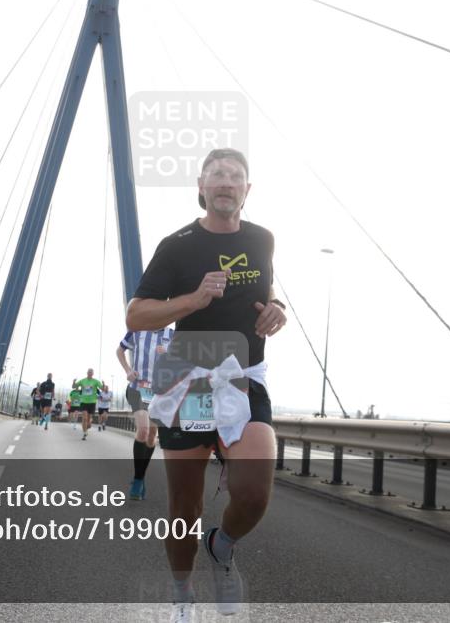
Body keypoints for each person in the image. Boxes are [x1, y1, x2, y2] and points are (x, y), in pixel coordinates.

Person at [125, 148, 286, 619]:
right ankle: (182, 597)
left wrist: (278, 310)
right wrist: (194, 300)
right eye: (216, 174)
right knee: (184, 506)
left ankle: (222, 545)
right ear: (201, 187)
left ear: (246, 190)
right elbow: (136, 314)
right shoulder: (176, 246)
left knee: (254, 491)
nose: (226, 181)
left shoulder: (263, 240)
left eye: (235, 176)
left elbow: (266, 294)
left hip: (242, 376)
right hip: (187, 379)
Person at [117, 328, 174, 499]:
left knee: (151, 436)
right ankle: (137, 480)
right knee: (143, 430)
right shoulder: (136, 331)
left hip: (159, 393)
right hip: (137, 389)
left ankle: (140, 477)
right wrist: (128, 370)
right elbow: (119, 350)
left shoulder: (173, 335)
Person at [72, 369, 102, 440]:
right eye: (88, 372)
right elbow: (74, 386)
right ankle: (84, 433)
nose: (89, 373)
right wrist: (73, 382)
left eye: (91, 372)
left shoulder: (96, 381)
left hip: (92, 402)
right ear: (87, 373)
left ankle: (88, 425)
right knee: (84, 418)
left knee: (88, 421)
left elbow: (102, 388)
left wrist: (103, 385)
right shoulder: (82, 381)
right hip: (83, 402)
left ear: (93, 374)